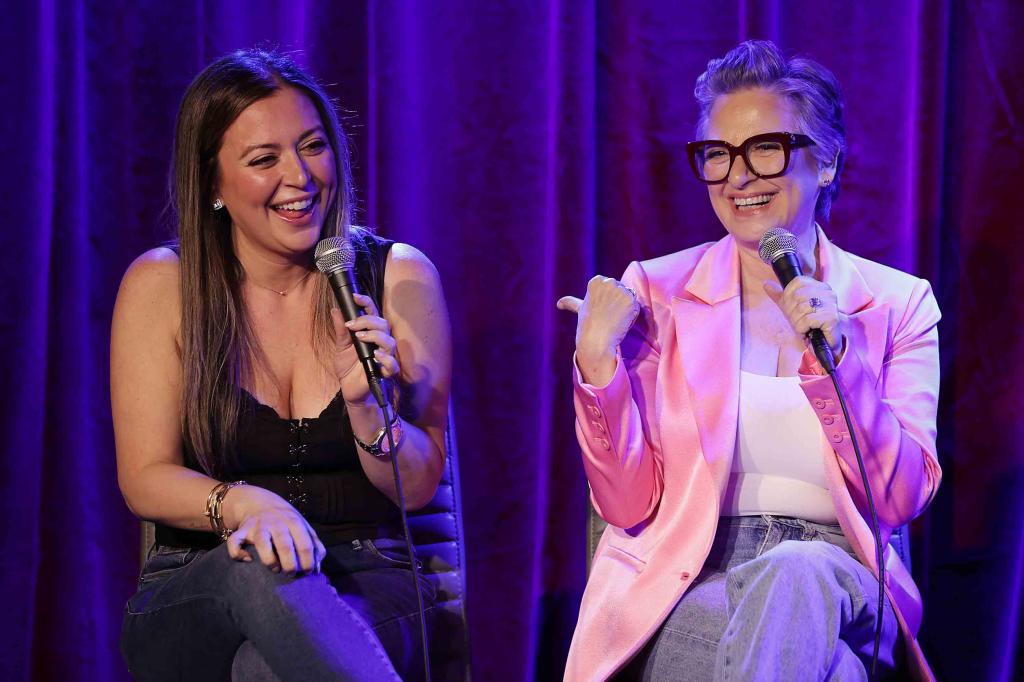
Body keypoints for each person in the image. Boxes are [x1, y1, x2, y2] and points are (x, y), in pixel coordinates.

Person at [558, 40, 940, 681]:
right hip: (696, 566)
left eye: (766, 148)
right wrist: (598, 369)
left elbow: (896, 499)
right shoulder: (657, 293)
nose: (738, 176)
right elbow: (627, 507)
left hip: (838, 567)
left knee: (796, 572)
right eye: (718, 154)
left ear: (825, 162)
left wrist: (837, 360)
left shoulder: (898, 303)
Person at [112, 48, 451, 681]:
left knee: (265, 671)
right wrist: (246, 507)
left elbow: (420, 483)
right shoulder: (163, 286)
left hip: (367, 575)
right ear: (213, 183)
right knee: (257, 567)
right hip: (201, 580)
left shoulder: (398, 277)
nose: (299, 177)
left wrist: (366, 412)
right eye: (264, 160)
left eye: (313, 147)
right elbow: (144, 477)